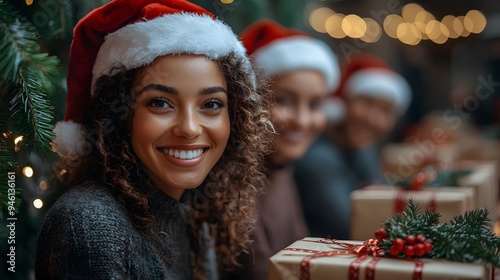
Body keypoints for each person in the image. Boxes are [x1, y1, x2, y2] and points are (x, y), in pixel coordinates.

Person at [35, 1, 273, 279]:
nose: (189, 128)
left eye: (211, 104)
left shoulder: (198, 210)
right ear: (118, 114)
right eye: (160, 102)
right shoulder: (90, 225)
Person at [225, 20, 340, 279]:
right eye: (285, 100)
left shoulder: (281, 168)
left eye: (314, 105)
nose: (302, 120)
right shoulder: (234, 179)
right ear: (250, 101)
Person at [294, 53, 412, 240]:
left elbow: (381, 201)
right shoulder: (319, 159)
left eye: (386, 111)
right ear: (344, 102)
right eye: (367, 102)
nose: (374, 119)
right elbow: (355, 228)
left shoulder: (362, 149)